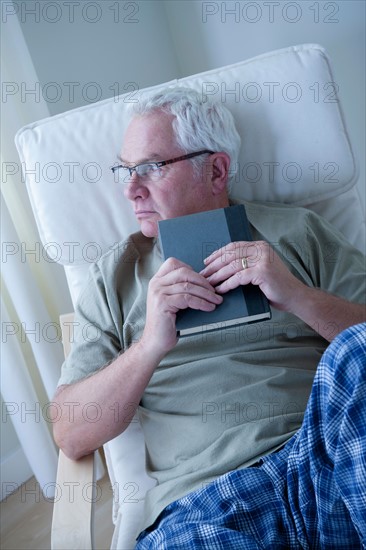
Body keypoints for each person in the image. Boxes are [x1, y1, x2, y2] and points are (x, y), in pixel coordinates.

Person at [52, 88, 366, 548]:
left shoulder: (296, 231)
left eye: (151, 167)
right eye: (125, 169)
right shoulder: (114, 278)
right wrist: (150, 345)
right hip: (207, 507)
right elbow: (70, 434)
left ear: (216, 170)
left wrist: (298, 297)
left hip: (322, 463)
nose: (130, 188)